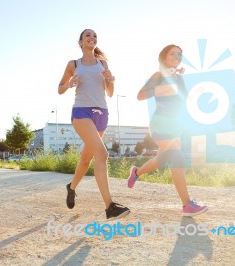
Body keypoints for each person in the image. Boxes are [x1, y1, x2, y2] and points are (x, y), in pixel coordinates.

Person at [127, 44, 208, 217]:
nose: (177, 56)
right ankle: (187, 205)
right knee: (177, 157)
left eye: (180, 54)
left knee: (162, 158)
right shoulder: (159, 75)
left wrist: (197, 94)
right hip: (161, 123)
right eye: (173, 53)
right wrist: (163, 86)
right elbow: (140, 95)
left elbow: (184, 99)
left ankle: (136, 172)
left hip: (175, 124)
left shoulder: (179, 78)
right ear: (164, 57)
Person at [58, 29, 130, 220]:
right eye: (88, 35)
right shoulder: (73, 64)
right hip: (82, 112)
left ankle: (71, 188)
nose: (92, 38)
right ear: (80, 42)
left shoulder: (103, 64)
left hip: (102, 114)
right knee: (102, 154)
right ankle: (110, 207)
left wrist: (110, 80)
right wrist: (70, 83)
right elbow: (60, 89)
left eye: (95, 36)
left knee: (85, 160)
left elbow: (110, 92)